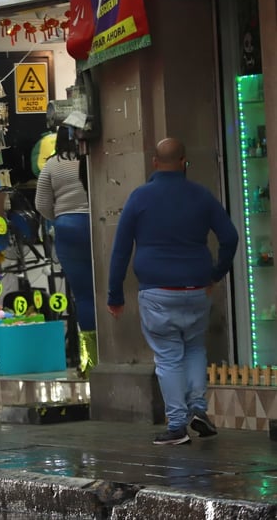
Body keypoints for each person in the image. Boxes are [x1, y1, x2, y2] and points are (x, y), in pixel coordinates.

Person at [107, 138, 238, 445]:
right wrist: (215, 274)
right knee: (194, 348)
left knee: (168, 357)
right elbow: (229, 237)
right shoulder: (202, 196)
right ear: (184, 162)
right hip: (196, 289)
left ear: (154, 162)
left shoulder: (139, 198)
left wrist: (115, 296)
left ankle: (177, 425)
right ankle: (198, 409)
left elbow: (120, 251)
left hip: (157, 292)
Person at [34, 129, 97, 377]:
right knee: (106, 290)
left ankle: (90, 361)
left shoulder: (52, 165)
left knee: (83, 296)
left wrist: (60, 217)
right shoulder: (91, 158)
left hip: (68, 228)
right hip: (98, 226)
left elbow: (41, 204)